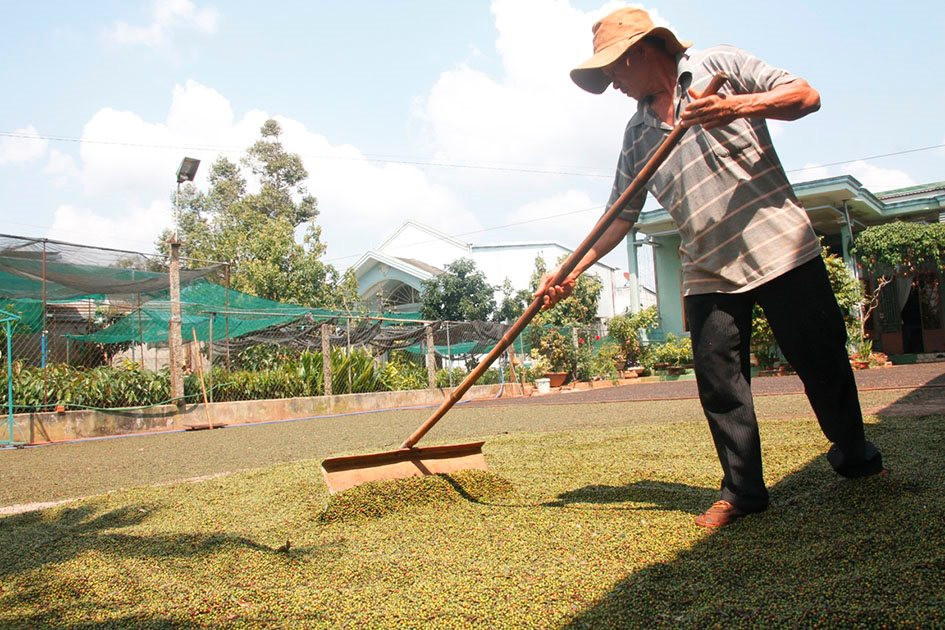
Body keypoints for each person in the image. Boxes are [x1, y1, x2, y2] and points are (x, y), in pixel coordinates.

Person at [539, 7, 884, 528]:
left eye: (612, 69)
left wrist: (737, 107)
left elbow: (806, 96)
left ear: (639, 51)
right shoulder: (636, 134)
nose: (611, 83)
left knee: (822, 361)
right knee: (720, 382)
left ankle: (855, 455)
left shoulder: (719, 64)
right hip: (707, 268)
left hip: (780, 247)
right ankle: (744, 491)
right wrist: (568, 272)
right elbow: (618, 217)